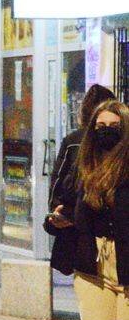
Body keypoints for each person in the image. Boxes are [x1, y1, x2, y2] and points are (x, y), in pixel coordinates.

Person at [48, 100, 129, 320]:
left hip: (126, 266)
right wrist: (56, 219)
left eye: (114, 127)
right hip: (91, 264)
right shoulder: (84, 163)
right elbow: (62, 205)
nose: (106, 132)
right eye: (100, 127)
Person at [44, 84, 115, 276]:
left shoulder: (73, 140)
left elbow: (57, 182)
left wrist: (56, 211)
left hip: (78, 231)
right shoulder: (119, 142)